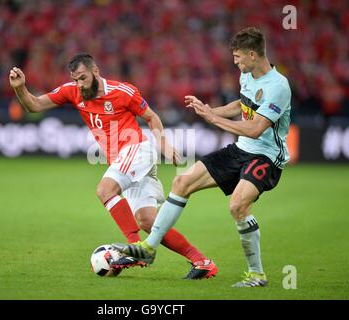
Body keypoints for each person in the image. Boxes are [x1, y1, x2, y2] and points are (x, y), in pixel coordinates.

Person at [9, 53, 218, 279]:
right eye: (76, 79)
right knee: (147, 220)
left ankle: (134, 248)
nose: (80, 84)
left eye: (83, 78)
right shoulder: (71, 91)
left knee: (104, 190)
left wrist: (164, 145)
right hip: (125, 161)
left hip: (137, 149)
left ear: (95, 71)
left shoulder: (122, 91)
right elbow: (35, 105)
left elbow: (152, 117)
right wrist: (20, 88)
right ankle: (202, 261)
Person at [112, 27, 292, 287]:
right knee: (182, 182)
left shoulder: (278, 86)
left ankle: (256, 274)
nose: (236, 62)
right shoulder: (248, 75)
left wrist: (213, 118)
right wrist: (211, 109)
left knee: (238, 206)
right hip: (241, 149)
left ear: (253, 54)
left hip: (266, 156)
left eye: (239, 57)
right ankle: (149, 248)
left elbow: (255, 128)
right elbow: (241, 105)